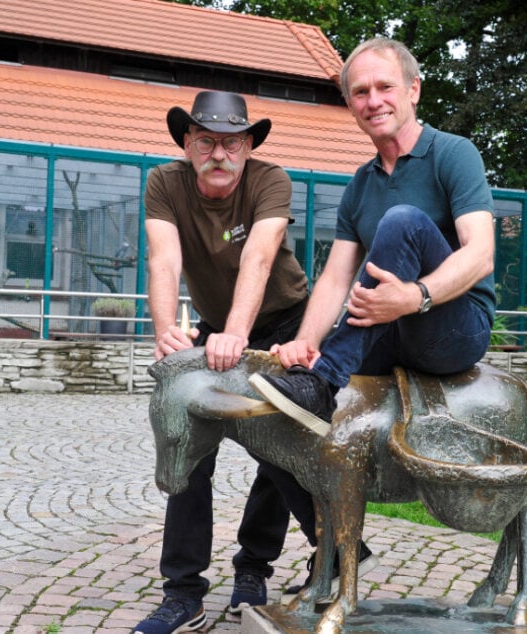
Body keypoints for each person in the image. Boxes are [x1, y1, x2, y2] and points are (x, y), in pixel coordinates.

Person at [135, 91, 375, 634]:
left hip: (284, 323)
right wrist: (167, 331)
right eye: (206, 141)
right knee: (189, 436)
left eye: (232, 142)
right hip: (217, 329)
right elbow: (162, 258)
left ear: (248, 146)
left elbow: (260, 254)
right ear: (187, 144)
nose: (219, 153)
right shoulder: (163, 184)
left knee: (280, 445)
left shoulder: (271, 179)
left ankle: (260, 568)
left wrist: (238, 335)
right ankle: (183, 592)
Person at [249, 38, 496, 435]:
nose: (373, 101)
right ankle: (312, 390)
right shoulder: (360, 185)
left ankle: (323, 383)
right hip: (388, 329)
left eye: (385, 87)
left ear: (413, 90)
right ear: (350, 105)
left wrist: (414, 296)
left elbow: (481, 254)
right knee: (288, 398)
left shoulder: (454, 153)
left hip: (455, 328)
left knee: (402, 222)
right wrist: (306, 343)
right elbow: (334, 279)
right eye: (360, 92)